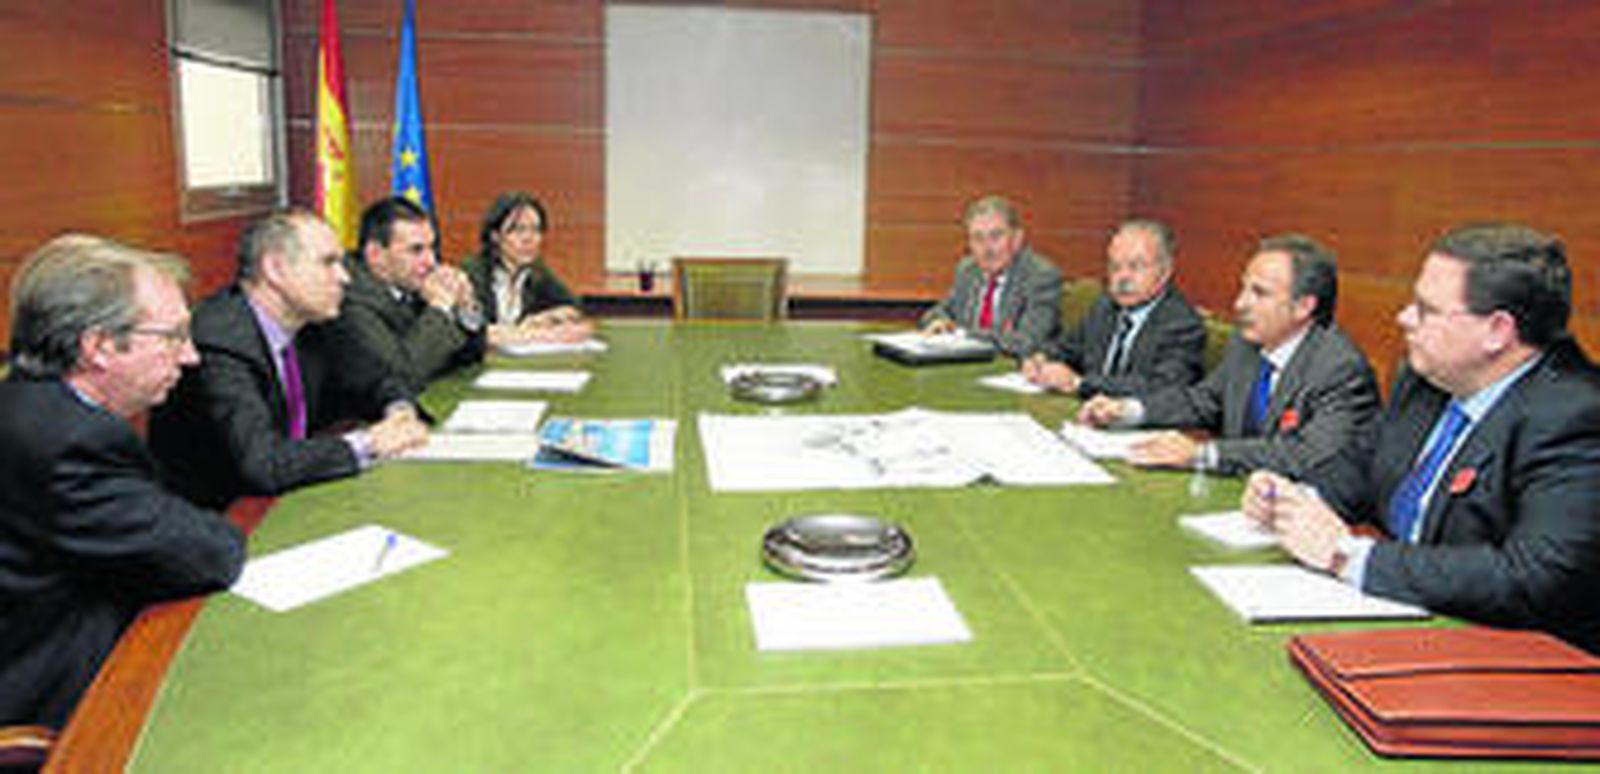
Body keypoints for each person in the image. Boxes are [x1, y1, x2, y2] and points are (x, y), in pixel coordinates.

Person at [1243, 224, 1600, 652]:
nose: (1404, 318)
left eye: (1426, 309)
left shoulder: (1575, 414)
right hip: (1401, 625)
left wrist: (1348, 557)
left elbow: (1534, 578)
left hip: (1512, 664)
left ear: (1497, 332)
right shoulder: (1426, 377)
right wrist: (1294, 500)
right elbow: (1361, 463)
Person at [0, 236, 245, 729]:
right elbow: (209, 553)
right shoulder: (71, 442)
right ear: (100, 347)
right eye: (174, 336)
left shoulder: (27, 401)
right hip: (54, 697)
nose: (192, 357)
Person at [149, 210, 429, 509]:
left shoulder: (316, 320)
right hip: (222, 519)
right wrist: (370, 442)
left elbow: (377, 379)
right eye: (327, 263)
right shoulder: (219, 340)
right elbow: (262, 464)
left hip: (291, 500)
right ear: (275, 269)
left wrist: (399, 412)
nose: (345, 277)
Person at [1078, 234, 1379, 478]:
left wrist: (1204, 454)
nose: (1239, 303)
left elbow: (1304, 453)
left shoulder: (1339, 368)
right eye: (1243, 288)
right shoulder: (1245, 344)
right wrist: (1129, 410)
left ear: (1303, 307)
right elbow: (1203, 401)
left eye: (1259, 293)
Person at [1021, 219, 1205, 397]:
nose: (1122, 278)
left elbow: (1160, 387)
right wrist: (1041, 358)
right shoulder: (1104, 307)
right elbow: (1068, 349)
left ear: (1165, 271)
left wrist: (1079, 383)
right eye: (1115, 267)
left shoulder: (1182, 324)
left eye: (1135, 267)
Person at [320, 196, 484, 394]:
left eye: (432, 248)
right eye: (416, 250)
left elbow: (468, 356)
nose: (431, 261)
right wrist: (440, 307)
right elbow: (402, 377)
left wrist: (465, 306)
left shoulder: (407, 284)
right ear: (375, 255)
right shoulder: (350, 299)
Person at [920, 195, 1062, 357]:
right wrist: (939, 322)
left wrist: (962, 334)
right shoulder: (968, 270)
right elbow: (940, 311)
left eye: (995, 236)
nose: (987, 249)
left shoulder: (1040, 277)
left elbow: (1027, 342)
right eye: (978, 238)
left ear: (1017, 239)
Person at [460, 191, 593, 347]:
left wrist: (543, 318)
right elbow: (473, 331)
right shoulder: (473, 273)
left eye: (535, 230)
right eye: (518, 230)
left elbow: (574, 308)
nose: (528, 239)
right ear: (495, 236)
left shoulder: (536, 272)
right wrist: (532, 333)